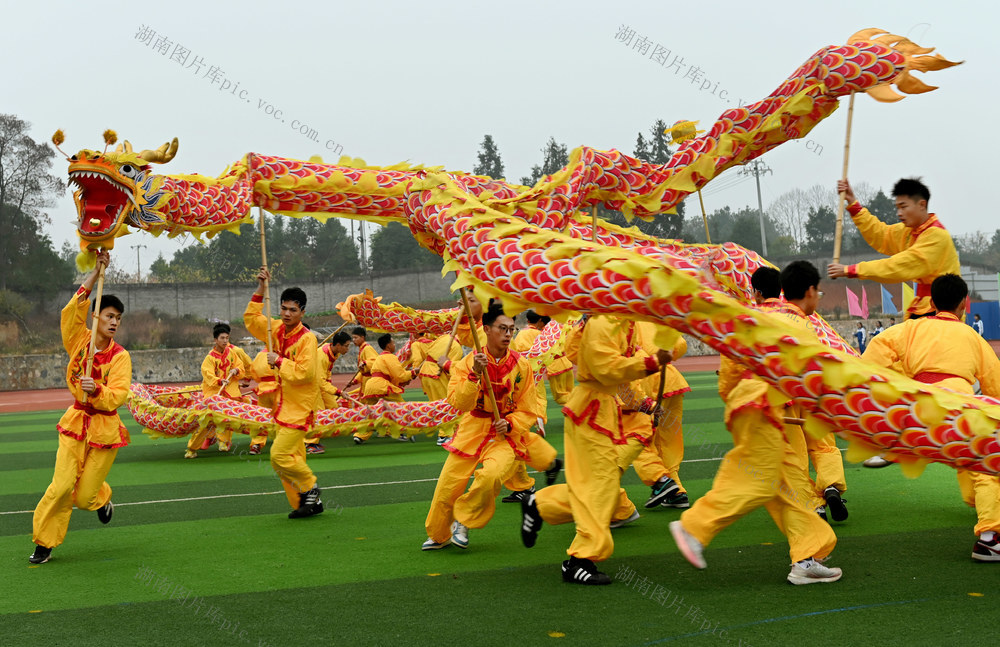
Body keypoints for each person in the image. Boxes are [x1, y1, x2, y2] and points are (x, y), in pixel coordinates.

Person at [670, 261, 842, 585]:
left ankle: (806, 557)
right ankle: (694, 527)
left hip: (753, 403)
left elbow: (731, 367)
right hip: (762, 405)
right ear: (809, 291)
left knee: (792, 486)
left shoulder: (756, 316)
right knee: (758, 481)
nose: (817, 297)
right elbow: (813, 379)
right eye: (818, 292)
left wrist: (735, 398)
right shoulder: (802, 325)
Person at [520, 314, 674, 585]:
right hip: (592, 413)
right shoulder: (605, 322)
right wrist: (650, 363)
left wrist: (646, 396)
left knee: (597, 485)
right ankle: (579, 560)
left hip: (599, 412)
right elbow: (605, 368)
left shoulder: (618, 322)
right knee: (601, 485)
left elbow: (582, 356)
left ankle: (540, 505)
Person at [864, 274, 1000, 561]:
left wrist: (888, 390)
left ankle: (897, 447)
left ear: (932, 303)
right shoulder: (973, 338)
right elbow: (994, 383)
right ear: (964, 304)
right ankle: (989, 539)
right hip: (959, 407)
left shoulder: (910, 328)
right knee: (984, 465)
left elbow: (875, 354)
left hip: (920, 408)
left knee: (963, 458)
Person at [422, 301, 560, 550]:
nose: (508, 334)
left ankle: (463, 520)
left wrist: (510, 423)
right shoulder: (468, 363)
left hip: (503, 435)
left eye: (511, 329)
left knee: (491, 476)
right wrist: (474, 374)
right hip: (472, 429)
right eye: (502, 328)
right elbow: (459, 402)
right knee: (447, 486)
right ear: (486, 329)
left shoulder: (521, 366)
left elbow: (529, 408)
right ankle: (439, 535)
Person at [30, 251, 131, 564]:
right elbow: (71, 310)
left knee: (85, 498)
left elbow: (119, 395)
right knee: (61, 487)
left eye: (118, 318)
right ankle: (44, 543)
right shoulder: (79, 341)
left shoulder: (121, 357)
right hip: (75, 423)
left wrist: (97, 389)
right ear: (96, 317)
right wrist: (96, 272)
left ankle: (102, 498)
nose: (114, 322)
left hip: (105, 428)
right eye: (109, 316)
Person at [244, 268, 323, 519]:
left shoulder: (307, 339)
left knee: (278, 456)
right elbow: (251, 319)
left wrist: (278, 361)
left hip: (299, 408)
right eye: (284, 308)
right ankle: (308, 502)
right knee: (292, 457)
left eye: (293, 310)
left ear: (302, 312)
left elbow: (305, 374)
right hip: (282, 404)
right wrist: (261, 288)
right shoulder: (276, 329)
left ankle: (311, 487)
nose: (287, 313)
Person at [827, 178, 959, 319]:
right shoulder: (909, 231)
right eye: (897, 208)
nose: (899, 213)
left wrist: (851, 270)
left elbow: (898, 266)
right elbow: (880, 235)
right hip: (924, 309)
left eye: (903, 207)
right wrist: (853, 204)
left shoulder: (936, 236)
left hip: (943, 311)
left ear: (922, 204)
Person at [185, 323, 252, 458]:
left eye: (227, 338)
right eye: (222, 338)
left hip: (229, 391)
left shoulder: (232, 353)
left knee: (227, 417)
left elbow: (240, 366)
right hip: (214, 393)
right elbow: (208, 375)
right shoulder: (209, 358)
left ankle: (224, 442)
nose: (225, 341)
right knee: (207, 421)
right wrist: (220, 381)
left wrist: (236, 370)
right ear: (215, 340)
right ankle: (192, 448)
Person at [355, 333, 417, 443]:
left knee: (371, 413)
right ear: (388, 345)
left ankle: (360, 435)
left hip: (370, 386)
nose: (394, 345)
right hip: (381, 386)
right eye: (393, 343)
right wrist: (412, 373)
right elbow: (400, 375)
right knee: (401, 407)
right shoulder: (390, 357)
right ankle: (402, 431)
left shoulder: (380, 357)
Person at [304, 331, 352, 454]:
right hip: (313, 386)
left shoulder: (334, 352)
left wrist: (331, 387)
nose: (348, 349)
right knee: (318, 413)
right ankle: (310, 443)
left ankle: (320, 433)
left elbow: (326, 373)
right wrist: (338, 392)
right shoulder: (322, 356)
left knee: (333, 407)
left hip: (322, 384)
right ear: (338, 345)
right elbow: (319, 381)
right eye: (346, 346)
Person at [346, 327, 378, 396]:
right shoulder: (362, 349)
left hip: (370, 382)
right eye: (353, 338)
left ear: (362, 337)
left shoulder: (367, 348)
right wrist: (354, 381)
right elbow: (363, 372)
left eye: (356, 338)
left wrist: (365, 363)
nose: (353, 340)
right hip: (366, 382)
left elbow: (375, 362)